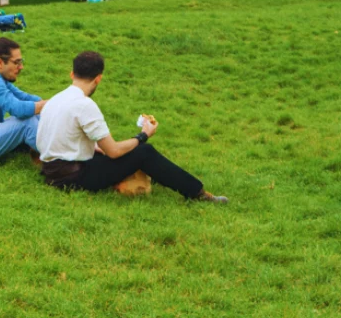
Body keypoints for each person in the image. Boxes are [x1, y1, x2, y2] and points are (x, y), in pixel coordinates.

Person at [36, 50, 227, 203]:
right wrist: (143, 135)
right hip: (73, 178)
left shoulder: (55, 100)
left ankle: (164, 178)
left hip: (51, 171)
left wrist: (96, 148)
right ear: (98, 78)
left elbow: (60, 138)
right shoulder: (84, 105)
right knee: (144, 152)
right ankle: (198, 193)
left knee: (128, 151)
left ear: (72, 74)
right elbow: (114, 152)